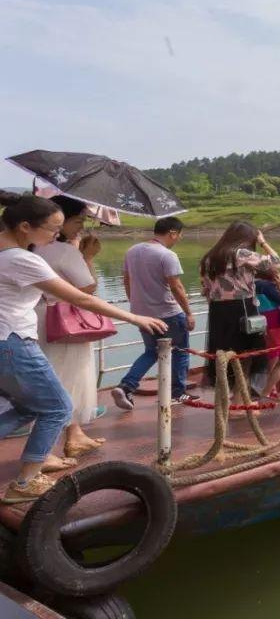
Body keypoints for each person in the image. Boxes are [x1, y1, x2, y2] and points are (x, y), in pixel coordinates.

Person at [0, 192, 167, 502]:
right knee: (58, 407)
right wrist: (134, 317)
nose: (55, 235)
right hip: (14, 342)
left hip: (7, 342)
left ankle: (31, 469)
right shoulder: (22, 259)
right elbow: (81, 296)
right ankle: (24, 483)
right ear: (25, 226)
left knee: (28, 406)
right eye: (52, 228)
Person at [32, 196, 105, 458]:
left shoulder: (30, 248)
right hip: (66, 319)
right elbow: (88, 287)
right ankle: (51, 446)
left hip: (38, 317)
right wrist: (88, 257)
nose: (81, 226)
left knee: (54, 375)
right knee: (73, 375)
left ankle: (75, 433)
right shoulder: (65, 251)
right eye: (77, 221)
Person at [112, 216, 197, 411]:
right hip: (169, 313)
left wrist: (136, 306)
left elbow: (127, 280)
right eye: (180, 235)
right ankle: (177, 393)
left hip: (143, 315)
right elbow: (176, 286)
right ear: (172, 233)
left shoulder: (132, 251)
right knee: (180, 352)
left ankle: (126, 386)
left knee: (151, 352)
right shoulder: (167, 255)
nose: (179, 239)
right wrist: (189, 313)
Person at [198, 221, 280, 412]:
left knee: (223, 358)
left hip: (218, 312)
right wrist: (263, 242)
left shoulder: (209, 258)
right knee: (245, 357)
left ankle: (228, 402)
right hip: (243, 309)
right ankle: (239, 402)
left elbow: (206, 289)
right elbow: (276, 263)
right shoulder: (241, 254)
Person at [254, 266, 280, 399]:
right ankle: (266, 391)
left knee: (272, 355)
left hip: (260, 322)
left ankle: (271, 387)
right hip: (274, 322)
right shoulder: (267, 285)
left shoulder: (252, 284)